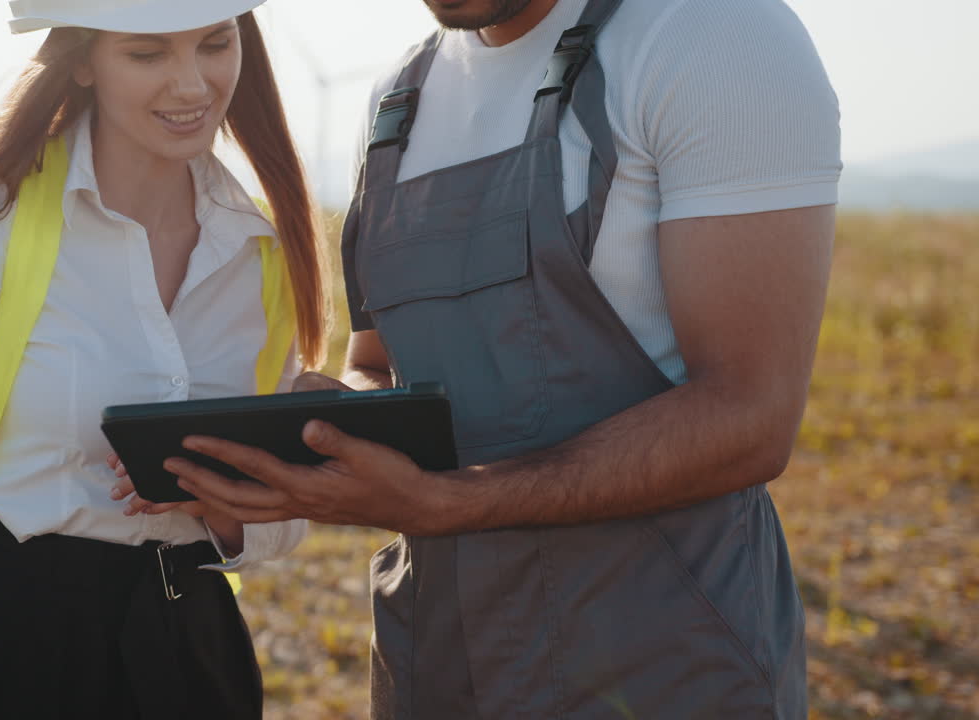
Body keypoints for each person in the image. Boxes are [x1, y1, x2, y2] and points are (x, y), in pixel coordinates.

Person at [141, 0, 842, 717]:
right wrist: (326, 436)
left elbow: (749, 414)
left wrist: (451, 503)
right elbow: (378, 365)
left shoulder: (713, 38)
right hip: (436, 659)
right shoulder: (395, 101)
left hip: (662, 657)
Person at [0, 1, 323, 717]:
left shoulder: (261, 251)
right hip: (19, 655)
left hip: (197, 659)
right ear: (81, 61)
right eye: (147, 53)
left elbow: (280, 523)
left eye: (214, 43)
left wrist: (220, 503)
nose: (192, 84)